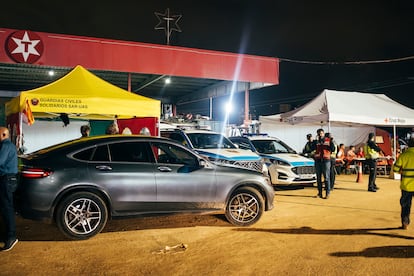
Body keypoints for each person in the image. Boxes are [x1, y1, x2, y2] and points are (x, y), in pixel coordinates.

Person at [0, 127, 18, 251]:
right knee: (5, 207)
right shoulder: (7, 145)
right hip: (7, 179)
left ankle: (11, 237)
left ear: (3, 134)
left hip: (6, 179)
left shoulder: (6, 145)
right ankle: (8, 235)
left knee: (7, 208)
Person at [393, 137, 414, 230]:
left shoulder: (404, 155)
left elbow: (395, 169)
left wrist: (402, 171)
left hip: (406, 185)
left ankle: (405, 223)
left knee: (405, 206)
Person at [312, 128, 335, 199]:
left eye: (321, 133)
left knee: (326, 177)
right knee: (318, 178)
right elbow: (312, 148)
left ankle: (327, 193)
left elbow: (333, 149)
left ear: (323, 133)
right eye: (318, 133)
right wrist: (312, 142)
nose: (320, 134)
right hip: (318, 160)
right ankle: (320, 193)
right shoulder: (316, 141)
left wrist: (331, 142)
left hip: (326, 160)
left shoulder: (328, 140)